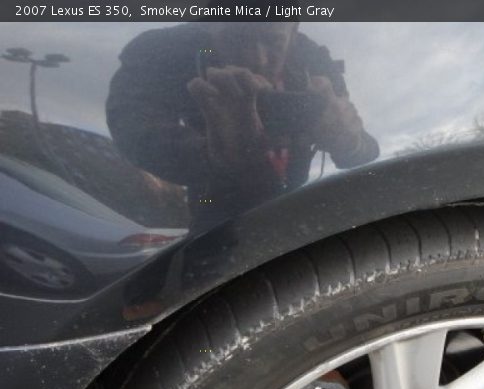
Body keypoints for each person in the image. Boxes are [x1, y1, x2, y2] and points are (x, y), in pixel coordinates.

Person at [106, 22, 379, 232]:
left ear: (294, 30)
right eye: (236, 38)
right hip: (212, 204)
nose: (258, 59)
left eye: (273, 42)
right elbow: (131, 128)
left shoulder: (313, 62)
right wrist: (210, 155)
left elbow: (367, 151)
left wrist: (349, 143)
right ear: (208, 25)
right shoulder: (167, 53)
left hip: (296, 206)